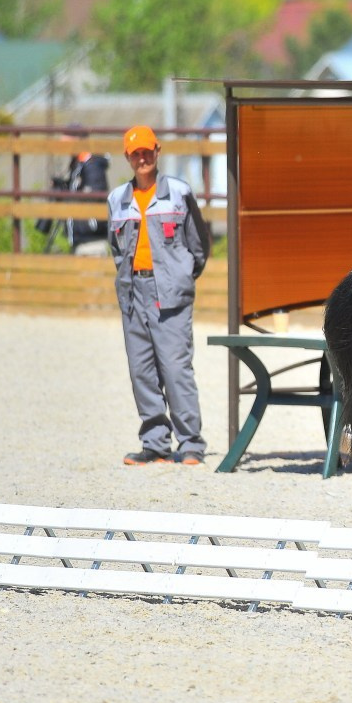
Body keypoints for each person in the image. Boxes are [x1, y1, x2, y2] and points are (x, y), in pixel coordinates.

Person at [107, 124, 211, 465]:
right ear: (127, 157)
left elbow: (200, 245)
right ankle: (154, 443)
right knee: (141, 369)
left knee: (175, 367)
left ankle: (191, 443)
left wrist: (181, 276)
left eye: (147, 151)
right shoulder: (116, 200)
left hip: (171, 292)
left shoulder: (179, 193)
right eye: (135, 153)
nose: (142, 159)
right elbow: (115, 248)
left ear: (157, 151)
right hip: (132, 291)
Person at [63, 125, 110, 256]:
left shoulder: (92, 165)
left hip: (91, 240)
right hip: (81, 238)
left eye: (66, 143)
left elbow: (94, 194)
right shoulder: (77, 166)